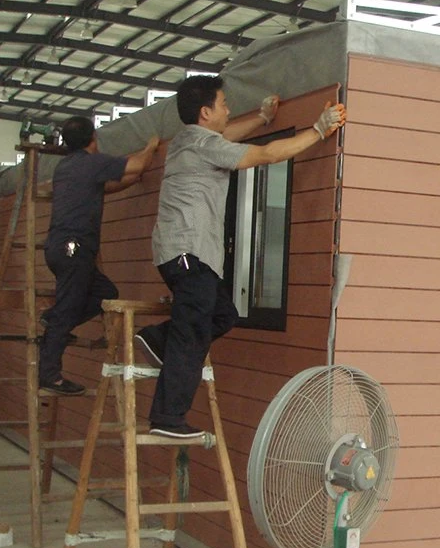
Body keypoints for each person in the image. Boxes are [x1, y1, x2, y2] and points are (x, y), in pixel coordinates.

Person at [136, 75, 346, 438]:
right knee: (192, 335)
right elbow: (265, 154)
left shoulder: (188, 140)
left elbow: (228, 136)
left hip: (182, 254)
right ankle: (167, 419)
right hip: (190, 252)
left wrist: (262, 120)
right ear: (206, 112)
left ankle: (157, 339)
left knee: (223, 314)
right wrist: (318, 130)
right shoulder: (201, 142)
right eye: (223, 104)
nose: (228, 109)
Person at [38, 117, 160, 396]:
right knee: (67, 312)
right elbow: (138, 164)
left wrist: (132, 180)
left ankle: (55, 320)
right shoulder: (91, 162)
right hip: (74, 249)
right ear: (94, 138)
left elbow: (104, 188)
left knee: (105, 291)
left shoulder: (66, 167)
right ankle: (50, 375)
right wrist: (151, 146)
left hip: (60, 248)